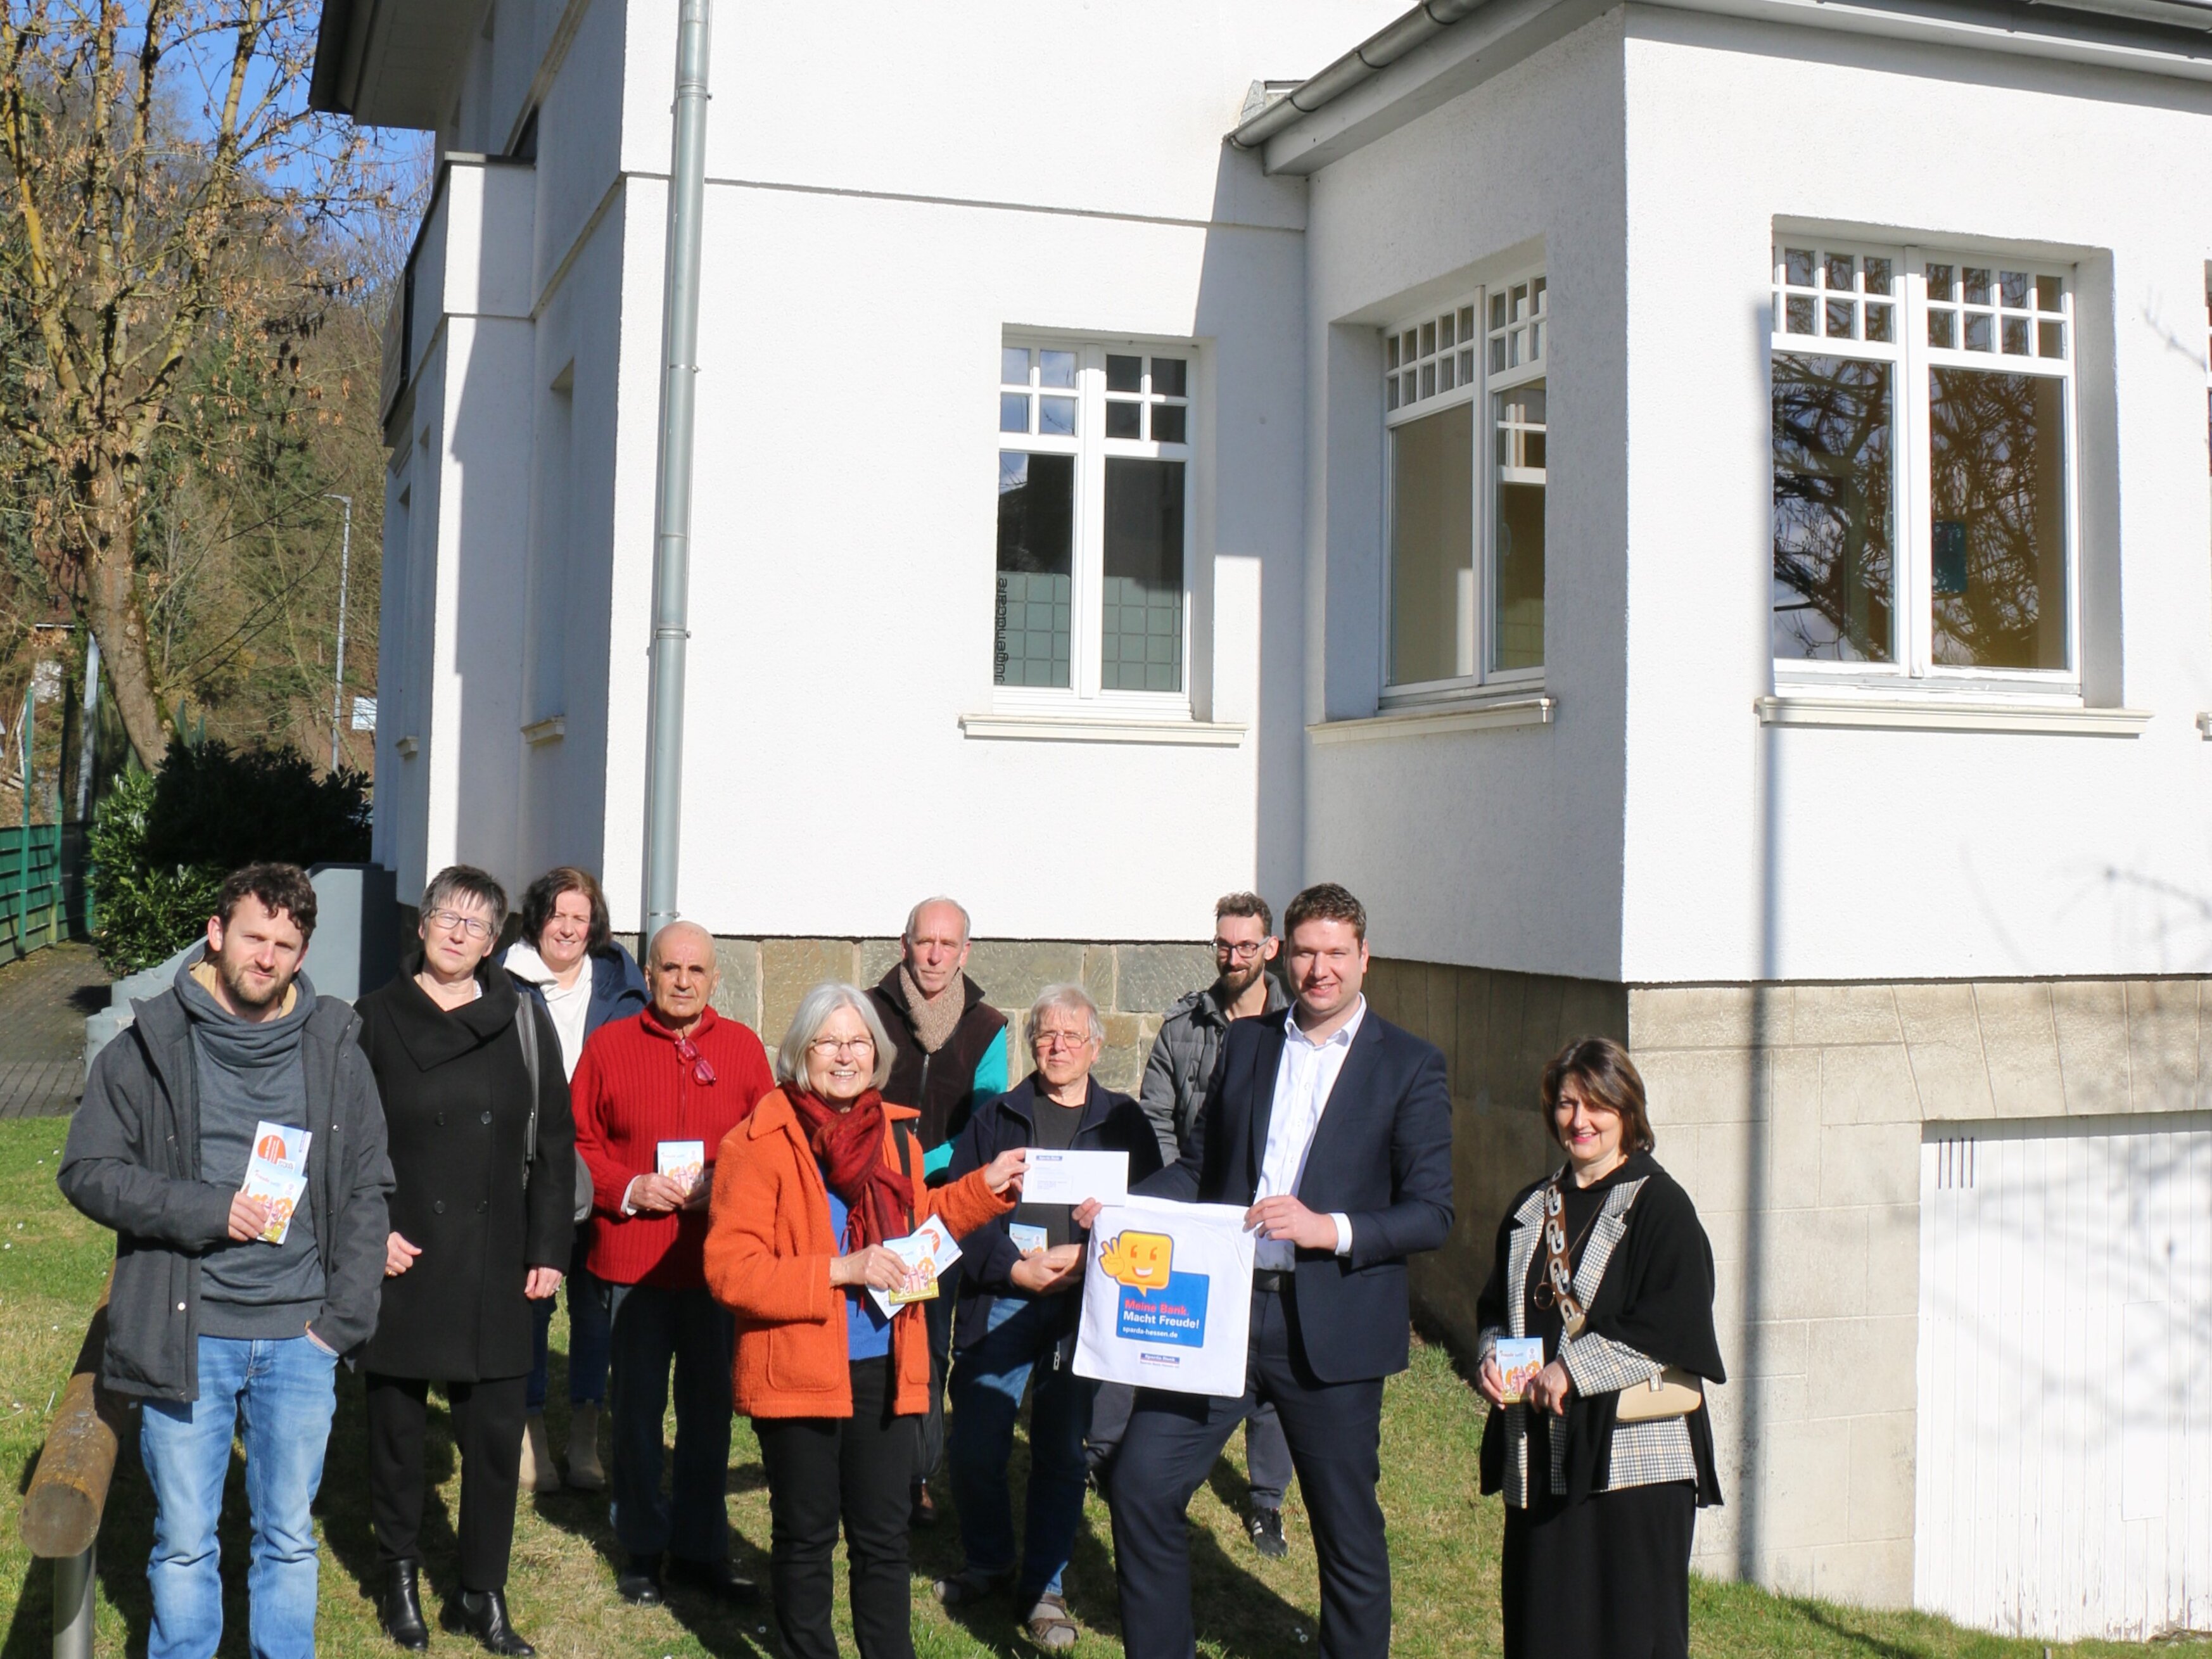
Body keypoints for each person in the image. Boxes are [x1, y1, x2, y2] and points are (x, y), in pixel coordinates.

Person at [1100, 882, 1454, 1659]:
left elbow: (1433, 1212)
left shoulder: (1410, 1066)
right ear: (1280, 955)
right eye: (1305, 952)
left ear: (1365, 957)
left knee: (1346, 1533)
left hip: (1328, 1330)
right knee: (1140, 1484)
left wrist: (1329, 1229)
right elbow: (1201, 1168)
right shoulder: (1251, 1043)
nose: (1319, 969)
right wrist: (1120, 1213)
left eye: (1335, 953)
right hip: (1220, 1318)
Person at [58, 863, 392, 1659]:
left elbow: (370, 1185)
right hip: (189, 1332)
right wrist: (208, 1210)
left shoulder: (335, 1043)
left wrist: (341, 1322)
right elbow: (87, 1172)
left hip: (300, 1339)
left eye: (286, 944)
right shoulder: (150, 1043)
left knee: (288, 1538)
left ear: (303, 953)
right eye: (254, 937)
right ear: (216, 933)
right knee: (183, 1541)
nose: (267, 958)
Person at [703, 981, 1027, 1659]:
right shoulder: (756, 1141)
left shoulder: (893, 1138)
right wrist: (839, 1271)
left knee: (884, 1540)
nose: (845, 1057)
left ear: (877, 1055)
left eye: (858, 1043)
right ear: (801, 1053)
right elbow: (730, 1271)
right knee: (807, 1536)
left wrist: (982, 1188)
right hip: (798, 1366)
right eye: (830, 1042)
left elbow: (918, 1230)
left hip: (887, 1360)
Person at [355, 866, 575, 1657]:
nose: (458, 933)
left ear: (493, 942)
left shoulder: (521, 1015)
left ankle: (483, 1593)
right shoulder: (374, 1019)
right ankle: (401, 1577)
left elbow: (554, 1138)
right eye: (447, 915)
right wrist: (370, 1230)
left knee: (489, 1441)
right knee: (397, 1433)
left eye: (478, 924)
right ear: (422, 924)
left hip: (499, 1258)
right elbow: (347, 1142)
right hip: (404, 1257)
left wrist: (549, 1247)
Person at [1475, 1038, 1726, 1659]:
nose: (1580, 1120)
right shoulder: (1531, 1207)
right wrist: (1489, 1354)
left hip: (1635, 1469)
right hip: (1542, 1457)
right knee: (1545, 1627)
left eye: (1597, 1105)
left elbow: (1676, 1320)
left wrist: (1572, 1369)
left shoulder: (1660, 1206)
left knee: (1631, 1633)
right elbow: (1492, 1306)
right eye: (1566, 1104)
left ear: (1627, 1113)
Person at [937, 984, 1163, 1649]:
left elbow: (1149, 1217)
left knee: (1063, 1453)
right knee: (976, 1444)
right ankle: (988, 1561)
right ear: (1030, 1043)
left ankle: (1045, 1589)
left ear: (1096, 1045)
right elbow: (961, 1212)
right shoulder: (998, 1118)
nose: (1057, 1046)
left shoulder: (1125, 1124)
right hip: (1004, 1294)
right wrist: (1013, 1267)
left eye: (1071, 1036)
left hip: (1081, 1308)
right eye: (1045, 1035)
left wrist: (1096, 1251)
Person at [571, 918, 774, 1607]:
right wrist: (628, 1187)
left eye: (696, 971)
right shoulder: (608, 1046)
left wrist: (729, 1181)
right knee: (635, 1411)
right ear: (649, 975)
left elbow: (768, 1143)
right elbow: (579, 1143)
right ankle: (641, 1547)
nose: (683, 981)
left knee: (710, 1412)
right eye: (669, 969)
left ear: (716, 979)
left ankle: (698, 1549)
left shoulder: (744, 1051)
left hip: (717, 1263)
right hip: (632, 1262)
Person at [1110, 889, 1296, 1558]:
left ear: (1270, 948)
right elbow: (1158, 1114)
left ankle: (1267, 1500)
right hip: (1191, 1208)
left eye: (1248, 945)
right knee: (1194, 1347)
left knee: (1268, 1362)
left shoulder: (1292, 1023)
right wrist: (1172, 1206)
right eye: (1224, 944)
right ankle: (1166, 1471)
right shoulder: (1185, 1024)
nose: (1234, 956)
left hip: (1263, 1215)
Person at [499, 866, 648, 1494]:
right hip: (529, 1165)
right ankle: (531, 1431)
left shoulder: (620, 983)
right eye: (557, 915)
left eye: (579, 917)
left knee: (595, 1302)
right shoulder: (503, 981)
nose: (567, 927)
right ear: (536, 920)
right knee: (534, 1297)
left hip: (602, 1161)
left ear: (595, 925)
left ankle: (585, 1434)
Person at [866, 895, 1009, 1526]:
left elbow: (985, 1123)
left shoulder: (989, 1027)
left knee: (927, 1340)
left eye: (948, 945)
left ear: (965, 953)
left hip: (940, 1210)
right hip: (867, 1198)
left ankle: (917, 1475)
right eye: (925, 942)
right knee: (867, 1334)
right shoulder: (867, 1010)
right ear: (904, 944)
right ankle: (864, 1458)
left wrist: (914, 1166)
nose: (934, 955)